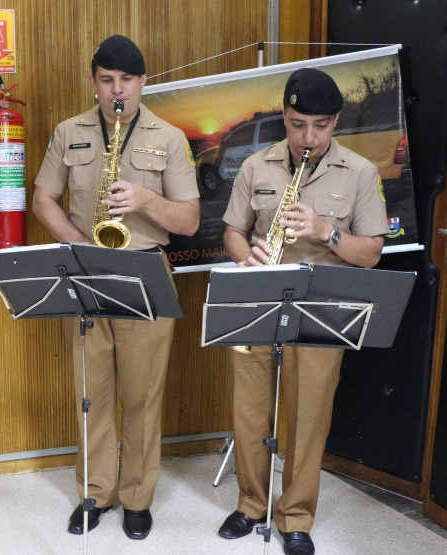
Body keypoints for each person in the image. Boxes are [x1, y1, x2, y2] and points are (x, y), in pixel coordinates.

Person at [33, 35, 200, 540]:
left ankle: (137, 499)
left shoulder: (169, 138)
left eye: (126, 80)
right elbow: (43, 200)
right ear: (94, 82)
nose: (116, 91)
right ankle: (95, 493)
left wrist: (147, 198)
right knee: (92, 393)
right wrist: (80, 243)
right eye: (107, 80)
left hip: (145, 271)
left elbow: (189, 221)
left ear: (143, 82)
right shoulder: (69, 132)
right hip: (86, 269)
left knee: (142, 395)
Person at [219, 67, 388, 555]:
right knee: (249, 413)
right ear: (284, 119)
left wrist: (325, 232)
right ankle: (251, 504)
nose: (306, 137)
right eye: (296, 124)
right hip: (259, 302)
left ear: (335, 121)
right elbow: (232, 229)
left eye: (319, 125)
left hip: (321, 311)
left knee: (309, 418)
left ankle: (296, 516)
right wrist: (241, 253)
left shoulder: (360, 172)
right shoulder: (256, 166)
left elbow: (371, 252)